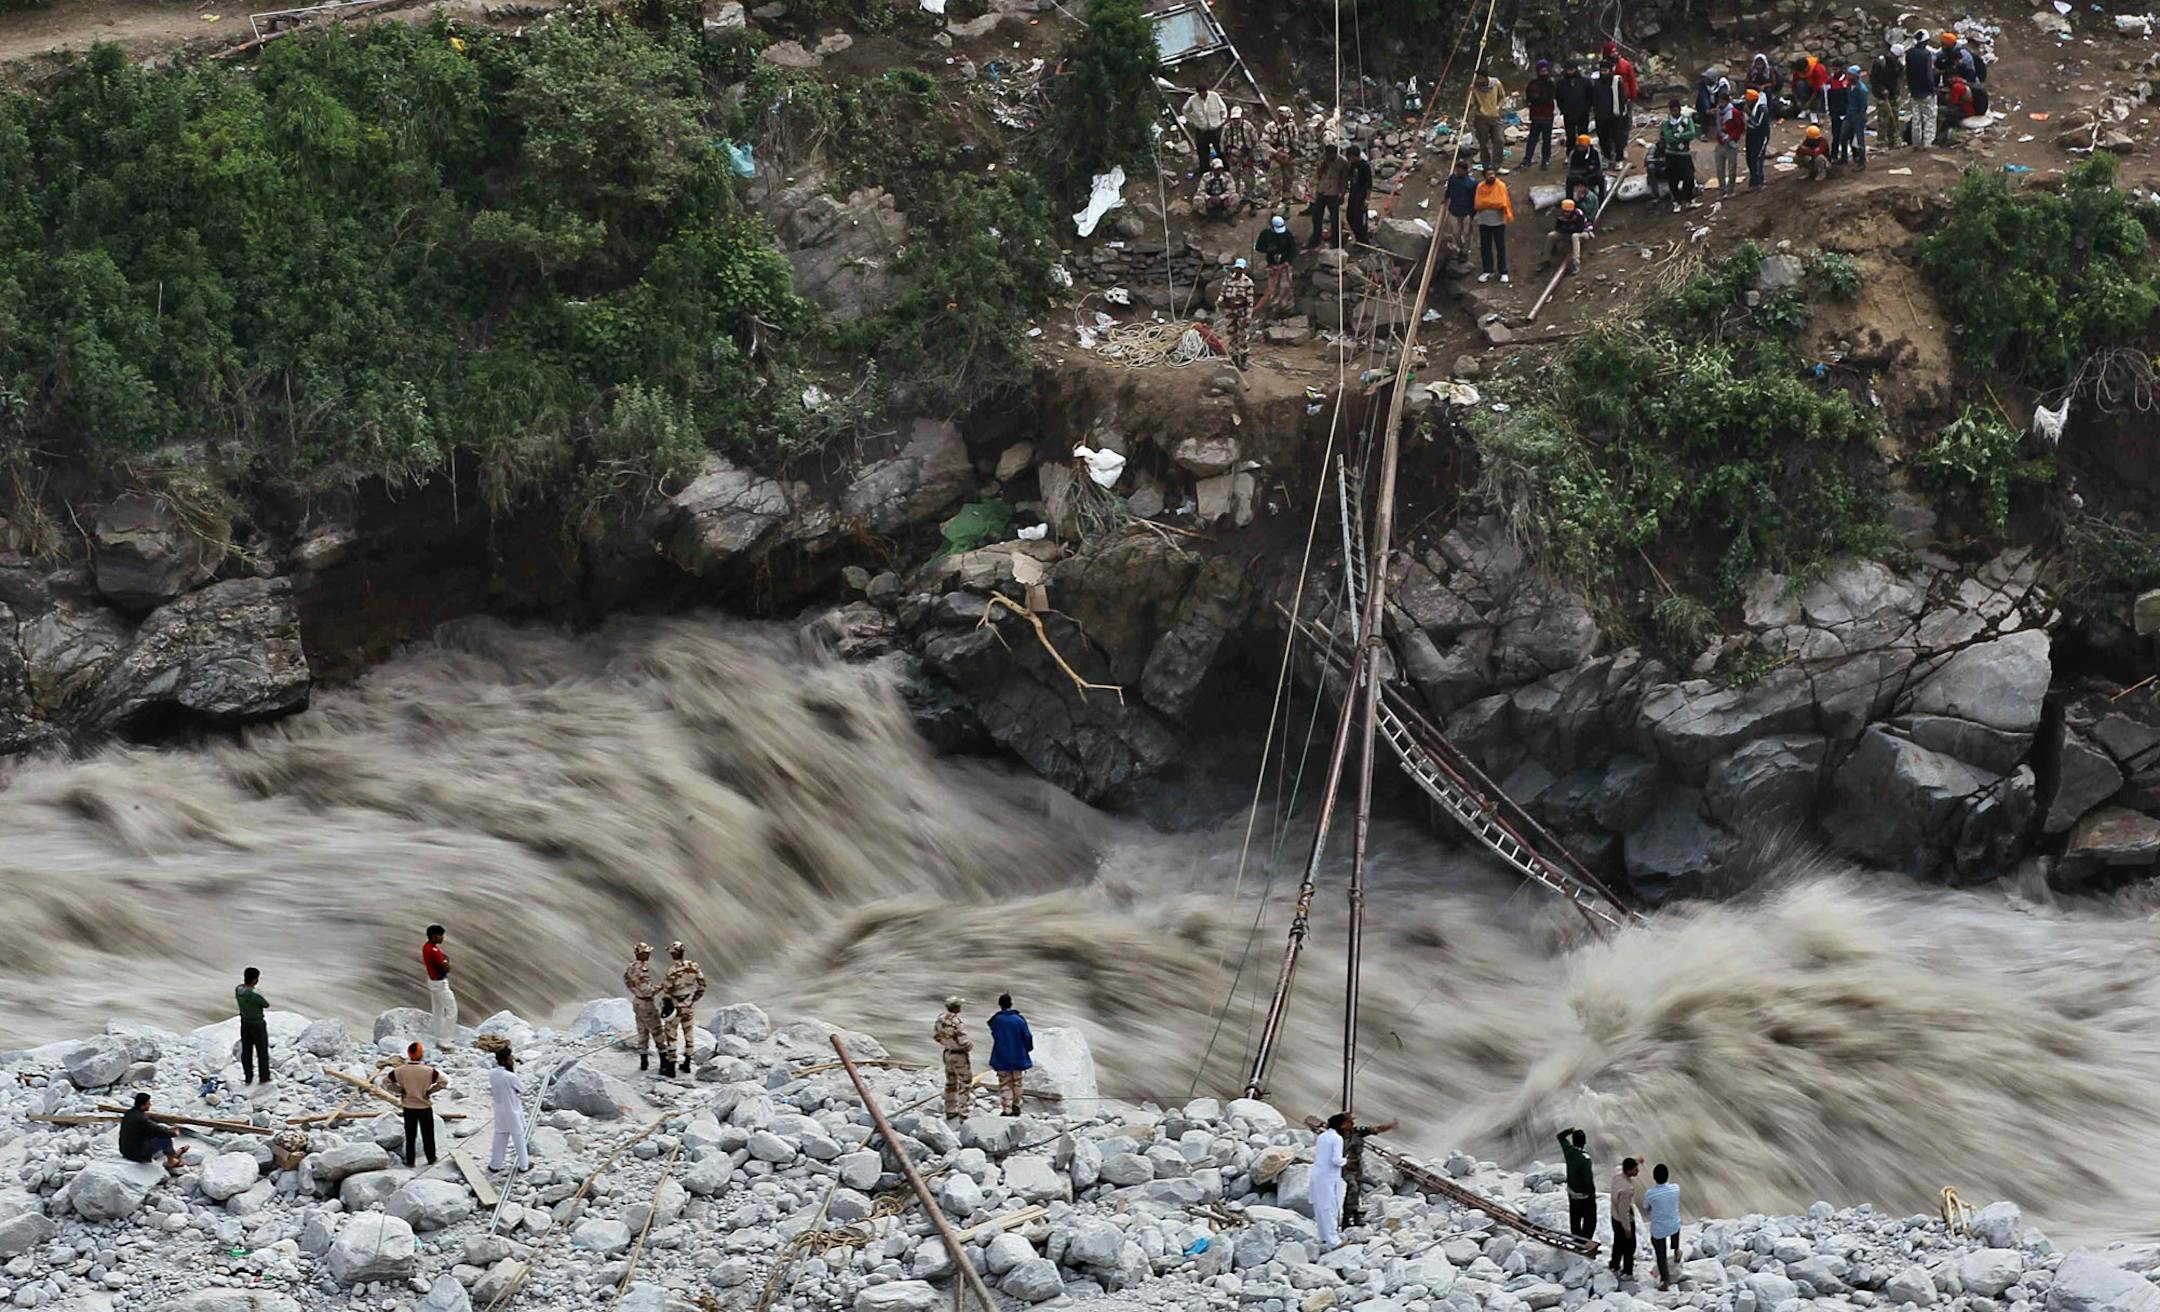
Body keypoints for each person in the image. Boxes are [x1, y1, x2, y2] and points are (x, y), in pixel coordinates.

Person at [382, 1041, 448, 1167]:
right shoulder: (429, 1070)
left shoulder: (400, 1070)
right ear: (421, 1054)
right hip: (424, 1106)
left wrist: (400, 1090)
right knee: (428, 1134)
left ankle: (410, 1161)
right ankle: (431, 1158)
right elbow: (443, 1082)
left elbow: (386, 1082)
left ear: (409, 1054)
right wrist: (430, 1091)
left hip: (408, 1107)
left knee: (410, 1135)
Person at [661, 941, 706, 1076]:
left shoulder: (672, 971)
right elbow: (702, 985)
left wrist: (665, 1008)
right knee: (689, 1034)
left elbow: (667, 992)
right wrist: (693, 999)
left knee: (671, 1034)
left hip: (675, 1007)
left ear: (672, 954)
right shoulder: (693, 966)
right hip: (688, 1005)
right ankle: (687, 1063)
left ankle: (671, 1067)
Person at [986, 992, 1034, 1116]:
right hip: (1018, 1056)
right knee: (1017, 1082)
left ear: (999, 1004)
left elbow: (994, 1033)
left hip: (1001, 1056)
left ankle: (1007, 1108)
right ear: (1011, 1004)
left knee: (1005, 1083)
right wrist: (1027, 1050)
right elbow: (1027, 1037)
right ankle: (1016, 1105)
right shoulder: (1019, 1020)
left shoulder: (996, 1020)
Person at [118, 1092, 187, 1171]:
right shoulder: (141, 1119)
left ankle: (171, 1155)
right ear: (143, 1105)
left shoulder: (129, 1113)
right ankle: (171, 1161)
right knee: (166, 1139)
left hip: (125, 1150)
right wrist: (174, 1133)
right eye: (148, 1103)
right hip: (135, 1154)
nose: (150, 1105)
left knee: (158, 1135)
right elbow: (157, 1130)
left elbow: (151, 1128)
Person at [488, 1046, 530, 1174]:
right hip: (512, 1111)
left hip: (499, 1110)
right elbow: (523, 1090)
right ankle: (524, 1165)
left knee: (500, 1136)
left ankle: (496, 1164)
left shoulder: (492, 1073)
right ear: (507, 1059)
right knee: (518, 1138)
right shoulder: (510, 1076)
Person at [624, 942, 662, 1073]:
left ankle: (644, 1062)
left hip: (637, 1001)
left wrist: (635, 991)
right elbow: (647, 991)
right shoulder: (643, 969)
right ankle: (664, 1063)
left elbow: (626, 981)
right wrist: (660, 988)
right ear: (643, 954)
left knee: (642, 1031)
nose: (649, 955)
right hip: (646, 1003)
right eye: (647, 953)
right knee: (657, 1030)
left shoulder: (631, 966)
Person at [1311, 1113, 1347, 1249]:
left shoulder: (1322, 1136)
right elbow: (1336, 1160)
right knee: (1330, 1207)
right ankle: (1334, 1241)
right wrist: (1347, 1160)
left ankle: (1323, 1237)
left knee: (1320, 1206)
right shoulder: (1337, 1139)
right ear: (1342, 1125)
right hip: (1329, 1176)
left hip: (1317, 1174)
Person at [1472, 165, 1513, 285]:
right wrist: (1491, 203)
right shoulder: (1480, 187)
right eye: (1489, 175)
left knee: (1500, 246)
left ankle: (1503, 271)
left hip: (1498, 221)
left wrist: (1488, 203)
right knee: (1485, 246)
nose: (1491, 176)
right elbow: (1478, 204)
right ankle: (1487, 270)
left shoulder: (1500, 186)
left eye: (1493, 174)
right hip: (1484, 221)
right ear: (1484, 176)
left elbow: (1501, 202)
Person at [933, 995, 972, 1119]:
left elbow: (936, 1036)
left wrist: (946, 1043)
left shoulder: (940, 1019)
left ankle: (950, 1110)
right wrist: (970, 1047)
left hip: (947, 1053)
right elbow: (963, 1041)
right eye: (959, 1006)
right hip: (959, 1055)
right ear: (956, 1008)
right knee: (965, 1083)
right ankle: (964, 1112)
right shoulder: (957, 1022)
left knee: (950, 1082)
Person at [1646, 1163, 1683, 1290]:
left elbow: (1646, 1208)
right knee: (1674, 1223)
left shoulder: (1650, 1193)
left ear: (1654, 1177)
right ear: (1668, 1176)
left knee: (1660, 1250)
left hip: (1659, 1230)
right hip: (1674, 1226)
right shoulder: (1676, 1188)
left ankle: (1665, 1280)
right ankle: (1676, 1250)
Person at [1253, 214, 1298, 317]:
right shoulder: (1265, 234)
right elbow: (1259, 247)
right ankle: (1274, 308)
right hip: (1272, 265)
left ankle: (1287, 308)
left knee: (1286, 287)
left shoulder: (1287, 234)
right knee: (1272, 288)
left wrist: (1287, 261)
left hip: (1285, 265)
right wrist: (1268, 249)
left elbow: (1293, 250)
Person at [1658, 100, 1699, 212]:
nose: (1674, 112)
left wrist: (1678, 136)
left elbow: (1691, 133)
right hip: (1671, 155)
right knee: (1673, 180)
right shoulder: (1666, 123)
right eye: (1672, 110)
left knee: (1689, 177)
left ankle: (1687, 199)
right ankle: (1678, 200)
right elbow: (1668, 137)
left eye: (1675, 110)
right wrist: (1679, 138)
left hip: (1684, 154)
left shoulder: (1687, 120)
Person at [422, 924, 456, 1050]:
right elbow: (446, 968)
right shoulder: (434, 951)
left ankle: (438, 1035)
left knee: (437, 1010)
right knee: (452, 1010)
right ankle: (445, 1039)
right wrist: (446, 960)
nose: (442, 938)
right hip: (440, 983)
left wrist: (443, 959)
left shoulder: (426, 947)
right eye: (440, 935)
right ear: (433, 936)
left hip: (432, 982)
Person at [235, 966, 271, 1086]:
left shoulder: (238, 989)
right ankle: (264, 1077)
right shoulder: (254, 994)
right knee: (262, 1051)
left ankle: (248, 1077)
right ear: (255, 980)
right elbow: (266, 1004)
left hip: (245, 1023)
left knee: (247, 1050)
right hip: (257, 1024)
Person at [1307, 143, 1347, 249]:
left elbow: (1344, 180)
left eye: (1331, 155)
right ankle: (1315, 238)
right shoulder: (1324, 160)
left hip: (1333, 193)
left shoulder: (1342, 162)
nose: (1329, 157)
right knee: (1316, 217)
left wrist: (1342, 195)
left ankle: (1336, 241)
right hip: (1321, 191)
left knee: (1334, 218)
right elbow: (1318, 174)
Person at [1559, 1127, 1596, 1239]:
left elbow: (1560, 1136)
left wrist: (1570, 1130)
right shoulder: (1585, 1159)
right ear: (1584, 1142)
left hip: (1572, 1193)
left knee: (1575, 1219)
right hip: (1584, 1196)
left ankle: (1576, 1240)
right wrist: (1592, 1193)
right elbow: (1587, 1179)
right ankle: (1585, 1242)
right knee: (1590, 1220)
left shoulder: (1569, 1151)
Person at [1610, 1157, 1643, 1279]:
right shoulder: (1626, 1190)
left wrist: (1637, 1161)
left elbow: (1621, 1165)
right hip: (1622, 1220)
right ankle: (1627, 1272)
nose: (1638, 1171)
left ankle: (1614, 1264)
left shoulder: (1617, 1176)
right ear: (1629, 1171)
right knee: (1629, 1247)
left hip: (1614, 1216)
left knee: (1618, 1243)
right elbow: (1624, 1212)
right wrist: (1627, 1229)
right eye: (1635, 1169)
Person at [1263, 104, 1305, 201]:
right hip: (1275, 158)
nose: (1288, 119)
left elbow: (1296, 140)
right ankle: (1275, 205)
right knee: (1275, 182)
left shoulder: (1291, 126)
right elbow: (1264, 143)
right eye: (1287, 117)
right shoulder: (1270, 127)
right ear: (1281, 116)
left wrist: (1293, 154)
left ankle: (1286, 204)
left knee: (1288, 182)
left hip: (1289, 157)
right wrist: (1276, 153)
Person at [1906, 28, 1939, 149]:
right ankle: (1927, 143)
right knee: (1929, 117)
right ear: (1925, 41)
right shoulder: (1926, 55)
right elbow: (1928, 74)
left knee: (1916, 118)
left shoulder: (1909, 53)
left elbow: (1908, 73)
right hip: (1925, 92)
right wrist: (1932, 89)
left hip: (1914, 91)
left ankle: (1916, 143)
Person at [1541, 198, 1591, 275]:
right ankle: (1546, 260)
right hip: (1568, 233)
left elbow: (1579, 229)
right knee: (1551, 235)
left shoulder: (1578, 214)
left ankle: (1576, 263)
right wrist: (1567, 227)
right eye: (1564, 211)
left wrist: (1567, 227)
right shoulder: (1561, 216)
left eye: (1568, 212)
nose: (1566, 213)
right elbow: (1558, 228)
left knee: (1575, 236)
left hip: (1583, 234)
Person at [1469, 72, 1507, 172]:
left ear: (1486, 78)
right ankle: (1486, 166)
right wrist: (1469, 94)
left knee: (1499, 140)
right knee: (1483, 143)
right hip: (1481, 118)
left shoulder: (1496, 83)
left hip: (1495, 117)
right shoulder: (1474, 87)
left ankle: (1497, 166)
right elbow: (1471, 103)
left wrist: (1498, 107)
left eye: (1480, 79)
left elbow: (1502, 97)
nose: (1479, 81)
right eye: (1477, 79)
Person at [1443, 156, 1479, 259]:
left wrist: (1472, 213)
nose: (1457, 171)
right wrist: (1446, 198)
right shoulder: (1452, 179)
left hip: (1466, 212)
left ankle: (1465, 252)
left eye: (1459, 170)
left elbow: (1475, 199)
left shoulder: (1472, 183)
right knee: (1455, 232)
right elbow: (1449, 190)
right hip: (1454, 210)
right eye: (1456, 169)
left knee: (1466, 234)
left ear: (1465, 171)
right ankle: (1459, 248)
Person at [1522, 60, 1557, 168]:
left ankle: (1545, 160)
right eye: (1542, 71)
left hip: (1547, 116)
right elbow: (1529, 98)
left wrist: (1537, 98)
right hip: (1536, 116)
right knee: (1532, 139)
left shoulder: (1551, 83)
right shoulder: (1532, 84)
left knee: (1547, 139)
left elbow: (1549, 97)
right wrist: (1537, 99)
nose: (1544, 73)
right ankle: (1527, 160)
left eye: (1545, 71)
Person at [1182, 85, 1228, 164]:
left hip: (1216, 129)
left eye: (1203, 92)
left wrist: (1222, 120)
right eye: (1200, 93)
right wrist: (1192, 120)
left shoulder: (1214, 96)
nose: (1202, 95)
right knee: (1202, 152)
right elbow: (1185, 110)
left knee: (1221, 150)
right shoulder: (1193, 100)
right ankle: (1205, 170)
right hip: (1202, 130)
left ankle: (1224, 168)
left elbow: (1223, 108)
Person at [1593, 63, 1629, 161]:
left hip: (1615, 115)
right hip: (1601, 116)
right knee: (1603, 138)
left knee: (1618, 138)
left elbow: (1622, 99)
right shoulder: (1597, 83)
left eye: (1606, 71)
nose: (1604, 73)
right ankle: (1607, 157)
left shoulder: (1616, 82)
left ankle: (1619, 158)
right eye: (1602, 71)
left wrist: (1621, 112)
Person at [1223, 105, 1263, 192]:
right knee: (1234, 176)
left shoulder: (1248, 126)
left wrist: (1254, 153)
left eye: (1237, 118)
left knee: (1248, 175)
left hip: (1246, 154)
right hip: (1233, 154)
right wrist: (1225, 154)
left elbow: (1255, 139)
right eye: (1234, 118)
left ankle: (1250, 193)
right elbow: (1223, 141)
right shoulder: (1227, 128)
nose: (1236, 120)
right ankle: (1235, 193)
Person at [1871, 44, 1903, 152]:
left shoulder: (1898, 64)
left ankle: (1893, 141)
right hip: (1882, 96)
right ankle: (1880, 142)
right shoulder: (1880, 63)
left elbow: (1898, 79)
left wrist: (1896, 92)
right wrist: (1882, 89)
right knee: (1883, 119)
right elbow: (1874, 80)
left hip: (1893, 95)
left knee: (1894, 118)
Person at [1557, 61, 1594, 153]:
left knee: (1583, 135)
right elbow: (1559, 97)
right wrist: (1563, 109)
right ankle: (1570, 154)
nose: (1570, 72)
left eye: (1572, 70)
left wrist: (1587, 108)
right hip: (1568, 113)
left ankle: (1585, 153)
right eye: (1568, 70)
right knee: (1570, 136)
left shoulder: (1585, 82)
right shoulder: (1562, 83)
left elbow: (1590, 96)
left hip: (1582, 112)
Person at [1713, 90, 1744, 194]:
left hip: (1730, 143)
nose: (1720, 104)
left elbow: (1740, 128)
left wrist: (1731, 137)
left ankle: (1730, 189)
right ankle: (1721, 189)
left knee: (1731, 169)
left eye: (1722, 102)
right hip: (1720, 143)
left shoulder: (1734, 112)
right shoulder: (1718, 112)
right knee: (1719, 169)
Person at [1564, 133, 1604, 208]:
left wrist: (1591, 171)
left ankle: (1601, 201)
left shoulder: (1595, 152)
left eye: (1583, 147)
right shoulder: (1573, 153)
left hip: (1591, 176)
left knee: (1601, 178)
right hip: (1578, 176)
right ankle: (1570, 201)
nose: (1580, 148)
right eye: (1580, 146)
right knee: (1569, 179)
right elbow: (1570, 169)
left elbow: (1599, 168)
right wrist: (1583, 172)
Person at [1841, 66, 1870, 169]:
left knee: (1859, 141)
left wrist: (1859, 117)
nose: (1847, 76)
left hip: (1858, 117)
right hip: (1849, 115)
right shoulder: (1849, 86)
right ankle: (1844, 158)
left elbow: (1863, 107)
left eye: (1850, 74)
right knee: (1843, 137)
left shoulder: (1862, 90)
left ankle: (1861, 162)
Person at [1196, 157, 1243, 222]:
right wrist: (1209, 198)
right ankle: (1207, 215)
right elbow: (1200, 190)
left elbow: (1231, 190)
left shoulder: (1227, 176)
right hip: (1210, 197)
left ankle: (1227, 214)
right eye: (1217, 169)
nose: (1219, 171)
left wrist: (1221, 197)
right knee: (1197, 199)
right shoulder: (1206, 176)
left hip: (1223, 198)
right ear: (1212, 168)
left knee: (1235, 197)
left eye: (1220, 169)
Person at [1343, 145, 1373, 245]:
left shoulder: (1365, 166)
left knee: (1359, 220)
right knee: (1350, 217)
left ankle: (1363, 242)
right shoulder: (1353, 165)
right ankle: (1358, 238)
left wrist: (1367, 199)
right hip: (1353, 193)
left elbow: (1369, 184)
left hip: (1361, 195)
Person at [1743, 87, 1773, 188]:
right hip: (1751, 135)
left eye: (1748, 101)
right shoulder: (1750, 106)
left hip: (1761, 136)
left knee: (1757, 157)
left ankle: (1759, 180)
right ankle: (1753, 178)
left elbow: (1757, 124)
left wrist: (1749, 114)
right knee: (1749, 157)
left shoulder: (1762, 109)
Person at [1826, 63, 1853, 163]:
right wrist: (1830, 111)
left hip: (1847, 112)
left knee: (1849, 134)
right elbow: (1827, 97)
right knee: (1836, 134)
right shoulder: (1830, 81)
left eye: (1837, 68)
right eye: (1833, 68)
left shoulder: (1848, 80)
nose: (1835, 70)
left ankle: (1854, 154)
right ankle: (1834, 155)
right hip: (1835, 112)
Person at [1604, 41, 1639, 106]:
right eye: (1612, 52)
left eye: (1615, 51)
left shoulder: (1625, 64)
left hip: (1624, 96)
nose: (1615, 54)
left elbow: (1632, 81)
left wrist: (1633, 96)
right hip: (1609, 97)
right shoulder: (1604, 66)